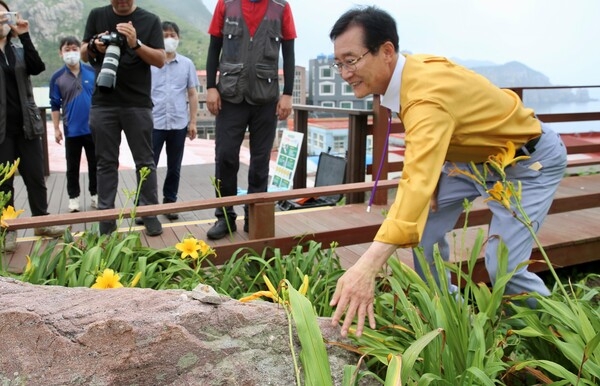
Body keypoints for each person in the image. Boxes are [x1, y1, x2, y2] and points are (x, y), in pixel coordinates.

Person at [327, 6, 568, 338]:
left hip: (526, 162)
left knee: (505, 270)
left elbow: (414, 181)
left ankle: (562, 336)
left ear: (386, 51)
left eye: (351, 60)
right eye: (339, 62)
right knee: (423, 235)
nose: (344, 73)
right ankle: (453, 321)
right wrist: (438, 170)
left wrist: (367, 265)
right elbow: (434, 146)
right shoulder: (409, 70)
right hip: (470, 159)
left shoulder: (426, 96)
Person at [205, 0, 297, 240]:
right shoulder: (226, 5)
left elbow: (288, 51)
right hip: (230, 95)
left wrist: (288, 93)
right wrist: (210, 87)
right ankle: (224, 218)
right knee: (225, 157)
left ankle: (254, 217)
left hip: (266, 98)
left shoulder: (281, 7)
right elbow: (214, 46)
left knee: (260, 161)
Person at [81, 0, 165, 236]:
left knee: (145, 162)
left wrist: (135, 43)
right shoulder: (97, 15)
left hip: (138, 103)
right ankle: (106, 219)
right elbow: (82, 54)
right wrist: (95, 45)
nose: (122, 2)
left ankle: (149, 214)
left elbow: (160, 59)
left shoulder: (150, 20)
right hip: (103, 103)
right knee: (105, 162)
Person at [0, 2, 66, 253]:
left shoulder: (17, 48)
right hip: (2, 131)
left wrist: (24, 34)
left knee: (35, 177)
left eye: (3, 14)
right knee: (4, 183)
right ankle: (7, 229)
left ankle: (42, 223)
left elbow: (37, 67)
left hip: (27, 125)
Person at [149, 21, 198, 220]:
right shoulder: (150, 63)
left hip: (178, 123)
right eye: (165, 35)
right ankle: (147, 206)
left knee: (174, 166)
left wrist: (193, 121)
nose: (169, 39)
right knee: (148, 166)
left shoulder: (187, 64)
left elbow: (193, 93)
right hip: (154, 123)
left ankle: (170, 202)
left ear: (178, 38)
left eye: (173, 35)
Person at [49, 36, 97, 213]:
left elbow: (101, 98)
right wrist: (56, 128)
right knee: (72, 166)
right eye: (67, 49)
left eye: (74, 48)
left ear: (80, 50)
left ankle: (95, 195)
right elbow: (54, 104)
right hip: (72, 130)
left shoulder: (92, 72)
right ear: (60, 53)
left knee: (95, 163)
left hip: (93, 128)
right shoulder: (57, 77)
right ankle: (74, 198)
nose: (71, 53)